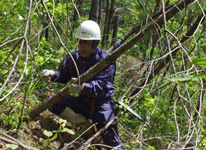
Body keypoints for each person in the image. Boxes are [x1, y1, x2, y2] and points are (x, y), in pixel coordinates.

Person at [43, 20, 124, 149]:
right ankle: (86, 126)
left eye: (85, 42)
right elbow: (63, 76)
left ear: (95, 43)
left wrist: (84, 87)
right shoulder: (74, 57)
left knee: (112, 142)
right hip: (82, 102)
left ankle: (101, 135)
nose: (81, 46)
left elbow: (104, 87)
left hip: (101, 106)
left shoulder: (105, 60)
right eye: (80, 41)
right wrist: (52, 74)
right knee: (52, 102)